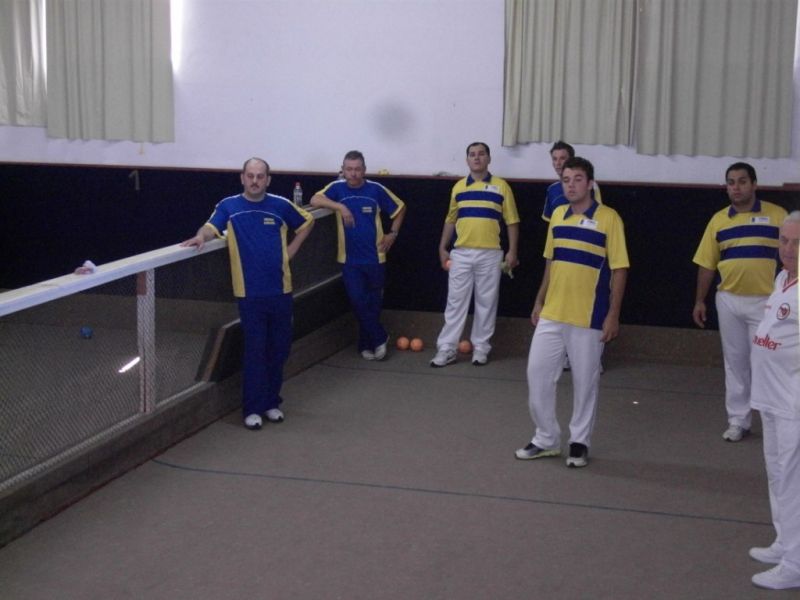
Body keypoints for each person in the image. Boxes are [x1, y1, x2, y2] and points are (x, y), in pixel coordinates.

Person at [181, 157, 314, 430]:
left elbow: (307, 221)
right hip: (249, 295)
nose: (255, 181)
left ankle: (271, 403)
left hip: (281, 291)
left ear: (268, 180)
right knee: (255, 351)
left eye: (260, 176)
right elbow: (210, 228)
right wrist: (201, 237)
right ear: (242, 178)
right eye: (250, 176)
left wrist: (290, 251)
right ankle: (252, 409)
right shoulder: (229, 207)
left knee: (279, 349)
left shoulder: (280, 205)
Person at [516, 157, 628, 468]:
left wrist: (613, 314)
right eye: (566, 180)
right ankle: (546, 438)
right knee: (537, 374)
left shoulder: (609, 218)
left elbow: (620, 269)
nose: (571, 185)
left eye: (578, 179)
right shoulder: (557, 216)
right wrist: (539, 300)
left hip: (589, 317)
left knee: (585, 383)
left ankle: (579, 442)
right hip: (552, 313)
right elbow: (550, 263)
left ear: (590, 184)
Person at [692, 162, 787, 442]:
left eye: (742, 181)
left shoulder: (778, 216)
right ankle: (738, 420)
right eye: (731, 182)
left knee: (767, 362)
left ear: (754, 184)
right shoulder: (718, 220)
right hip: (729, 301)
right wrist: (699, 300)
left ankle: (774, 419)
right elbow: (707, 264)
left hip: (767, 303)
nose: (736, 187)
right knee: (735, 363)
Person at [430, 141, 520, 367]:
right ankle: (447, 348)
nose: (477, 158)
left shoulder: (502, 187)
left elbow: (512, 221)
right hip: (461, 253)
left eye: (481, 154)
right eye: (472, 154)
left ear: (489, 159)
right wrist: (442, 247)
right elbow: (451, 219)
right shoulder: (459, 187)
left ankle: (481, 348)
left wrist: (512, 251)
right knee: (455, 303)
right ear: (467, 160)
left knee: (486, 303)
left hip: (491, 254)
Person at [310, 150, 405, 361]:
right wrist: (339, 206)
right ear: (343, 170)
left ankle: (366, 343)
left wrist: (393, 234)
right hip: (349, 259)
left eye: (357, 169)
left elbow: (400, 209)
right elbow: (315, 199)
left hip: (376, 257)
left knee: (373, 304)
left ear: (364, 170)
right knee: (357, 300)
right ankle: (380, 336)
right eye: (349, 169)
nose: (353, 173)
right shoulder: (336, 189)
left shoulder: (376, 189)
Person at [748, 211, 800, 590]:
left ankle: (796, 564)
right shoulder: (783, 278)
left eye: (797, 243)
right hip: (769, 397)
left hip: (792, 403)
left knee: (794, 481)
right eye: (784, 240)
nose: (789, 249)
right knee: (777, 473)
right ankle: (785, 541)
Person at [542, 141, 603, 372]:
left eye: (563, 158)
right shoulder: (552, 190)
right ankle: (564, 354)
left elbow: (596, 218)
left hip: (586, 259)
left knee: (584, 309)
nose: (559, 163)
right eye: (555, 159)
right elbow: (551, 226)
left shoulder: (591, 189)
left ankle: (592, 358)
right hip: (561, 258)